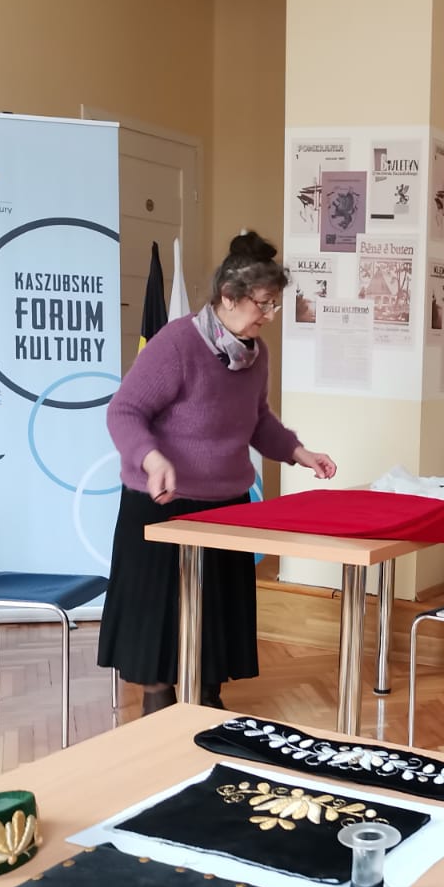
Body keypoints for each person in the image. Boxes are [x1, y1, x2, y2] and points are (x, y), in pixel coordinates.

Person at [99, 232, 336, 716]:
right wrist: (151, 458)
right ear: (228, 297)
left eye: (273, 305)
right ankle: (159, 716)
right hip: (163, 506)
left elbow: (257, 421)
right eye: (263, 304)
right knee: (161, 627)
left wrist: (298, 452)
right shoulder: (177, 344)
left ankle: (208, 707)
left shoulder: (255, 354)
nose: (270, 316)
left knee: (214, 625)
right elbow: (124, 412)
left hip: (226, 508)